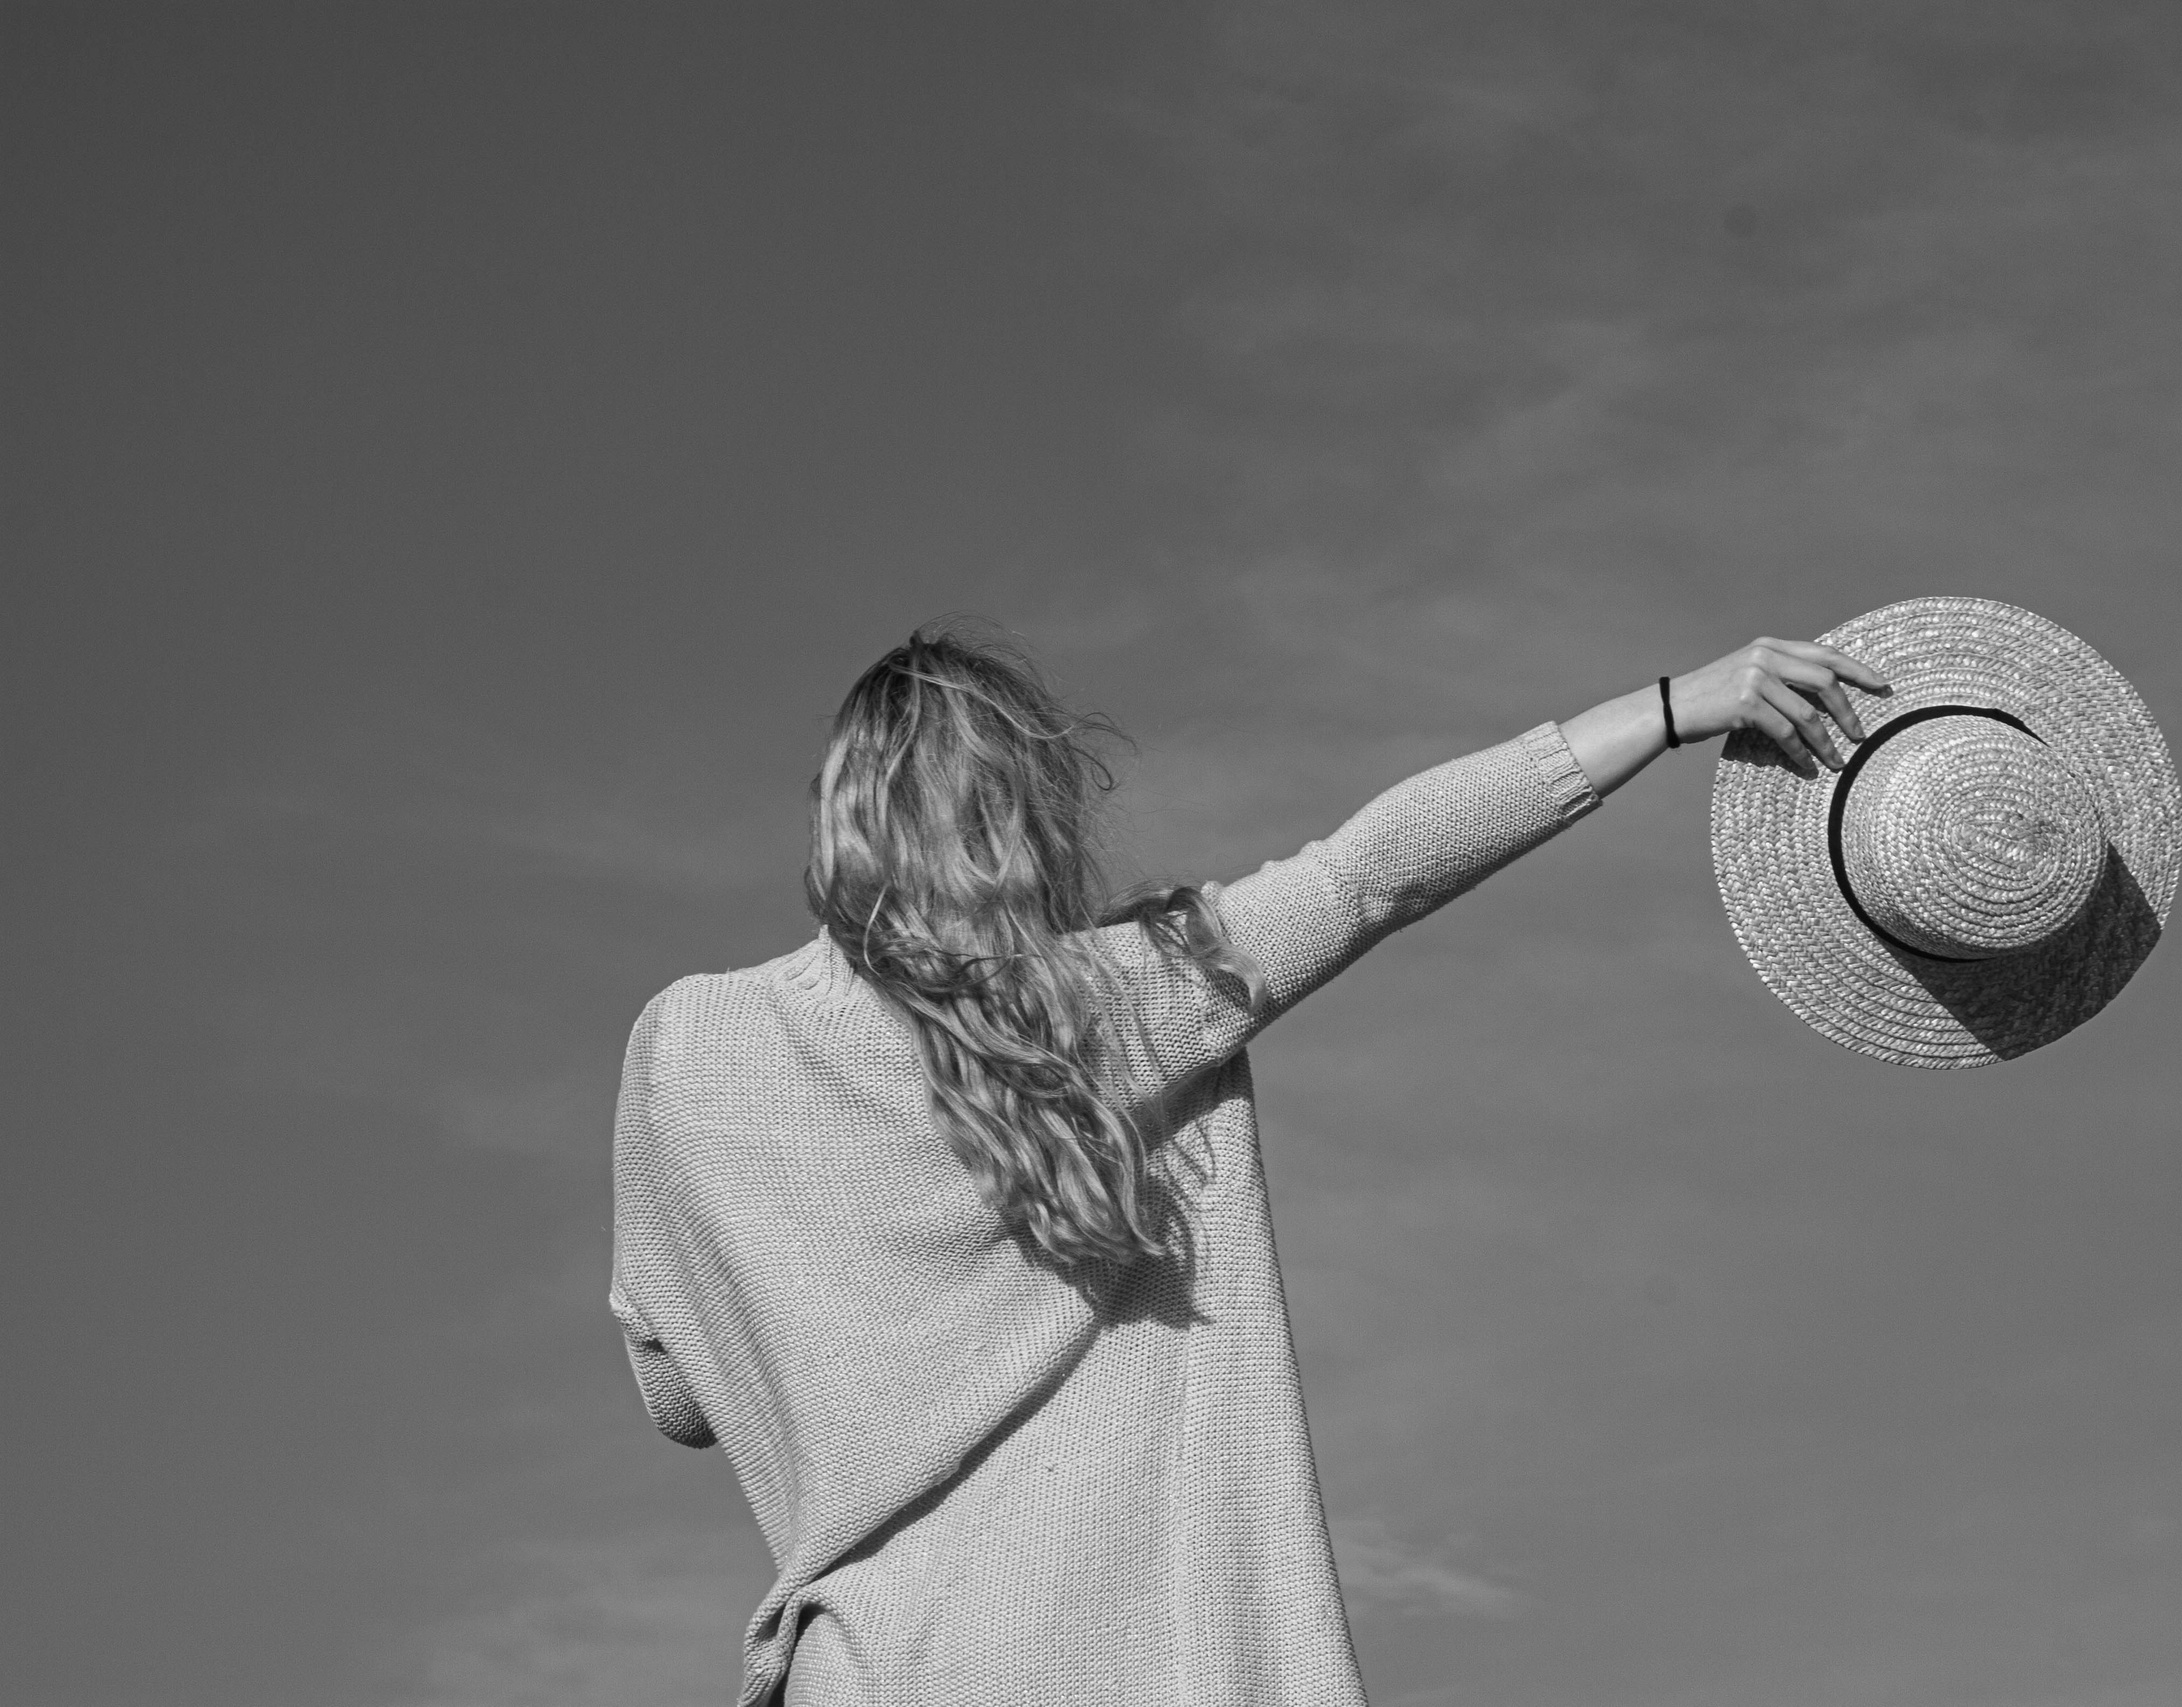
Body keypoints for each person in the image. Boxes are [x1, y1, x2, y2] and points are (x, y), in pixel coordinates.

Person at [610, 623, 1888, 1707]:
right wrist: (1664, 711)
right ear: (1027, 816)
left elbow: (674, 1390)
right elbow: (1369, 873)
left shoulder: (688, 1044)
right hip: (1141, 1663)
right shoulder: (1114, 1006)